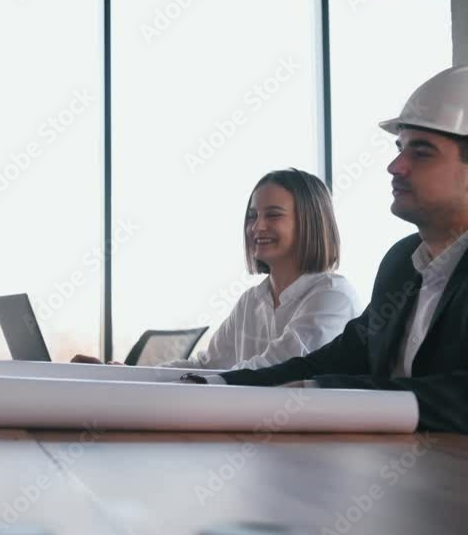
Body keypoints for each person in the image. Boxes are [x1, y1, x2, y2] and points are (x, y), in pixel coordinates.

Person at [187, 66, 468, 433]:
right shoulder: (402, 262)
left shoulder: (335, 291)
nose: (395, 166)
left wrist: (323, 394)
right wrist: (217, 384)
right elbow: (337, 359)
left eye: (422, 152)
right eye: (400, 149)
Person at [73, 169, 359, 370]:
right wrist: (127, 375)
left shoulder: (333, 296)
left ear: (309, 222)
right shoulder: (251, 302)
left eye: (273, 215)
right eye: (252, 216)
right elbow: (206, 366)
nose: (257, 227)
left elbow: (277, 367)